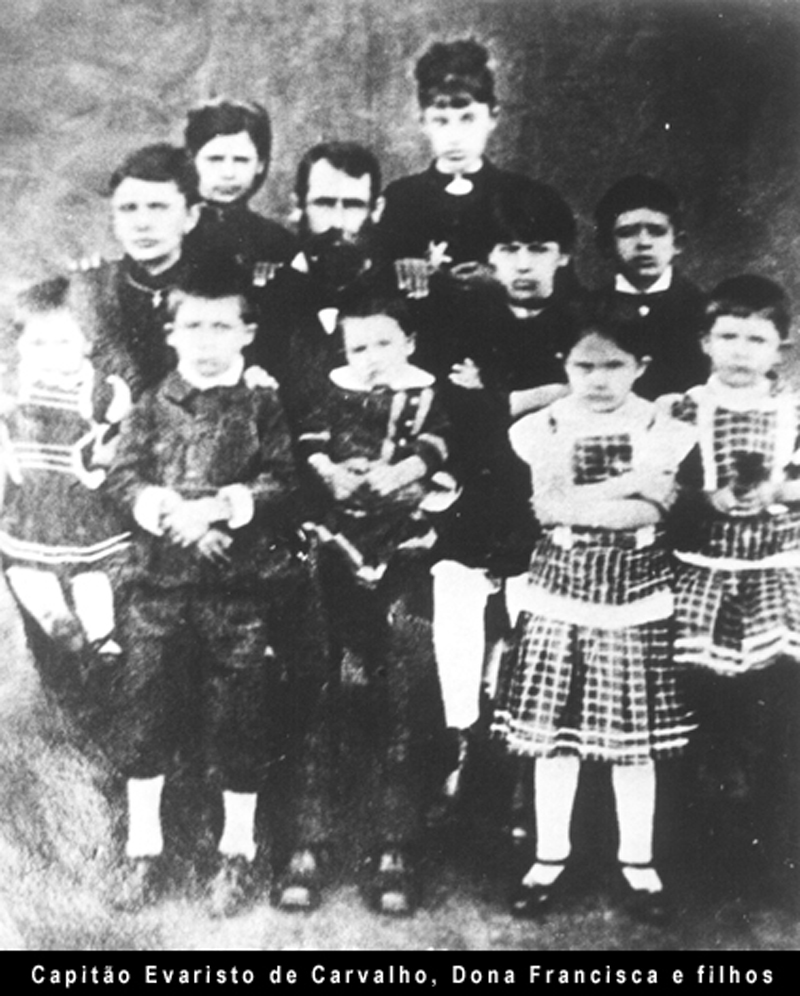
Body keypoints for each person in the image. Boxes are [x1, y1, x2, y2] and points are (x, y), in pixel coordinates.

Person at [105, 257, 299, 917]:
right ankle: (143, 849)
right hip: (157, 589)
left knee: (239, 720)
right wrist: (169, 513)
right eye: (193, 326)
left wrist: (218, 508)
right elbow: (123, 478)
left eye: (222, 327)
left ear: (247, 333)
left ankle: (236, 852)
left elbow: (282, 479)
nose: (207, 341)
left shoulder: (262, 403)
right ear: (170, 333)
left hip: (235, 591)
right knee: (146, 713)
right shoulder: (150, 405)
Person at [492, 316, 696, 922]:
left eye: (614, 365)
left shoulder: (662, 426)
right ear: (564, 365)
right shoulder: (544, 426)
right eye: (584, 366)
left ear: (641, 367)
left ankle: (639, 865)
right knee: (555, 740)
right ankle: (548, 858)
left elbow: (649, 514)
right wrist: (631, 485)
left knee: (635, 743)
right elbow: (547, 507)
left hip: (636, 596)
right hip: (560, 591)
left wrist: (588, 504)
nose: (599, 379)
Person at [288, 295, 450, 916]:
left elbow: (439, 451)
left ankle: (394, 844)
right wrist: (331, 472)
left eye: (385, 343)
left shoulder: (427, 395)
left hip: (404, 548)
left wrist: (405, 473)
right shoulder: (334, 392)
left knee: (403, 684)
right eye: (359, 347)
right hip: (332, 545)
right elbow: (310, 445)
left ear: (409, 343)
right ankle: (308, 840)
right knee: (316, 684)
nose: (372, 358)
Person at [425, 178, 580, 797]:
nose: (523, 264)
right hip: (480, 497)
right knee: (455, 599)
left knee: (533, 622)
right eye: (509, 250)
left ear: (564, 256)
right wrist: (532, 397)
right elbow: (457, 417)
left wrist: (494, 397)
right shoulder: (466, 323)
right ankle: (461, 741)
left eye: (539, 249)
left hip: (553, 503)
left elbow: (581, 405)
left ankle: (524, 767)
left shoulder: (583, 324)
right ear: (490, 259)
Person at [667, 275, 800, 905]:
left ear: (781, 347)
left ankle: (776, 857)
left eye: (756, 338)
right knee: (701, 709)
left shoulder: (793, 412)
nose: (741, 351)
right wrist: (703, 497)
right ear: (705, 341)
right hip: (701, 572)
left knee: (777, 711)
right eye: (728, 336)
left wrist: (780, 490)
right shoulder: (681, 409)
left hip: (776, 573)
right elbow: (659, 481)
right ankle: (697, 857)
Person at [0, 277, 131, 675]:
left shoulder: (100, 391)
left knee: (91, 575)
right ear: (21, 347)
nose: (50, 354)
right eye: (38, 344)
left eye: (62, 343)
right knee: (24, 569)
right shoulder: (14, 387)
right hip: (31, 503)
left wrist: (110, 450)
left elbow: (125, 435)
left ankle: (101, 635)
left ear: (87, 344)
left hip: (81, 501)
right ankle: (55, 619)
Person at [376, 38, 540, 296]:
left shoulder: (525, 197)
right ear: (422, 122)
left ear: (493, 117)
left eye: (467, 119)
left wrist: (504, 281)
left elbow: (559, 289)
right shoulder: (399, 200)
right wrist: (399, 269)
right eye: (441, 121)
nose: (455, 137)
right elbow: (375, 285)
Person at [248, 141, 386, 432]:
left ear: (376, 210)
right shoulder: (262, 297)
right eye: (324, 204)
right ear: (297, 207)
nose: (337, 222)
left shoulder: (399, 294)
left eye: (353, 205)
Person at [69, 143, 201, 401]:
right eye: (128, 208)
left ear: (191, 217)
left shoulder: (218, 290)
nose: (142, 224)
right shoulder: (91, 289)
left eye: (158, 207)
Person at [590, 175, 708, 400]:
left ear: (678, 243)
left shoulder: (704, 310)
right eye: (627, 232)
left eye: (657, 231)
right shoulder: (586, 310)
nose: (644, 243)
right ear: (606, 245)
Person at [183, 98, 297, 280]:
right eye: (215, 159)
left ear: (260, 164)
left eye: (241, 160)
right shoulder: (169, 235)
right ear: (192, 160)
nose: (228, 174)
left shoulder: (279, 243)